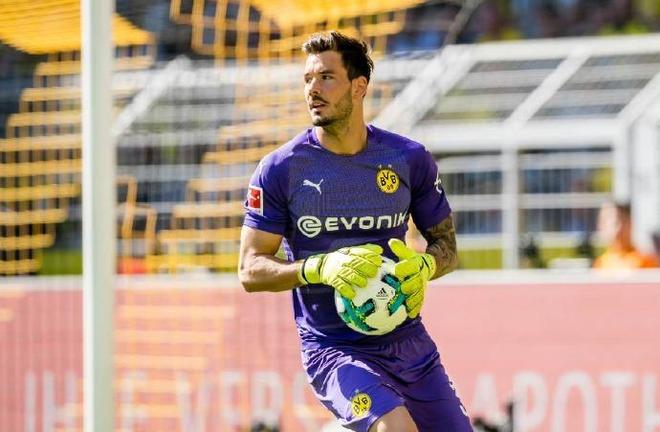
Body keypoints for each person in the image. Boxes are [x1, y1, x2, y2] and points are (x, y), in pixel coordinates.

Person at [238, 31, 471, 432]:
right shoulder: (280, 169)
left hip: (408, 342)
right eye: (308, 79)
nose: (312, 89)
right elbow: (250, 269)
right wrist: (317, 268)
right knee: (395, 429)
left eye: (326, 77)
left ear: (359, 87)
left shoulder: (408, 159)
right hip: (333, 349)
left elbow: (446, 246)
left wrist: (425, 267)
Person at [593, 200, 657, 269]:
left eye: (615, 222)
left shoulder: (644, 261)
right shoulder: (601, 264)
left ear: (629, 223)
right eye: (604, 221)